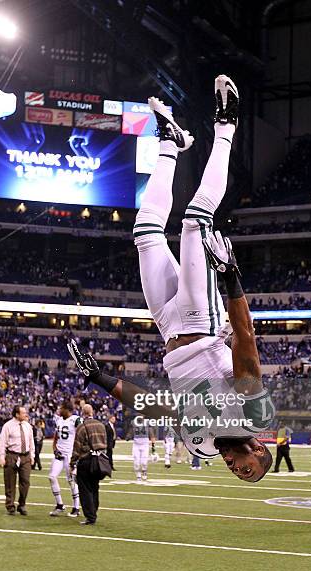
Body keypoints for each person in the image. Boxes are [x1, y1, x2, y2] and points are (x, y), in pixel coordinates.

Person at [68, 74, 274, 483]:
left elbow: (156, 405)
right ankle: (226, 126)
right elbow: (245, 339)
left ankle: (170, 144)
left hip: (168, 329)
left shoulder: (199, 444)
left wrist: (100, 378)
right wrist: (231, 277)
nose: (235, 467)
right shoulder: (255, 415)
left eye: (236, 473)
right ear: (260, 448)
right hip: (201, 324)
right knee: (196, 218)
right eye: (247, 468)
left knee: (145, 232)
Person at [70, 403, 107, 525]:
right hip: (98, 460)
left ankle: (90, 516)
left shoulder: (82, 427)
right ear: (92, 413)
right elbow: (105, 443)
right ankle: (94, 511)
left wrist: (72, 463)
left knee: (85, 490)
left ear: (83, 413)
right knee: (95, 487)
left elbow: (77, 447)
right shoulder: (101, 425)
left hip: (86, 460)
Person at [0, 406, 35, 516]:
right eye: (23, 413)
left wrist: (32, 456)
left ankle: (22, 504)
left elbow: (31, 442)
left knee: (26, 482)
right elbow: (2, 442)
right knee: (10, 482)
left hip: (25, 456)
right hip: (12, 455)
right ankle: (10, 506)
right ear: (17, 414)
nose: (25, 414)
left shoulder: (28, 426)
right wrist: (1, 457)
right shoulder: (8, 426)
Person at [48, 400, 81, 518]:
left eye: (61, 408)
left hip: (71, 455)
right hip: (60, 454)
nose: (59, 410)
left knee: (71, 481)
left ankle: (76, 508)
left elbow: (82, 435)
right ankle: (59, 505)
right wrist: (54, 449)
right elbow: (56, 437)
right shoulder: (59, 420)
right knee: (52, 477)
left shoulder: (76, 420)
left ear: (67, 409)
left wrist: (78, 453)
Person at [131, 416, 155, 482]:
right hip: (136, 444)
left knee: (144, 462)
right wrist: (129, 435)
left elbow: (151, 433)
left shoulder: (147, 423)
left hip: (145, 444)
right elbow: (131, 431)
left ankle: (144, 471)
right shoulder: (133, 423)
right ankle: (138, 475)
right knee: (136, 462)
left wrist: (153, 446)